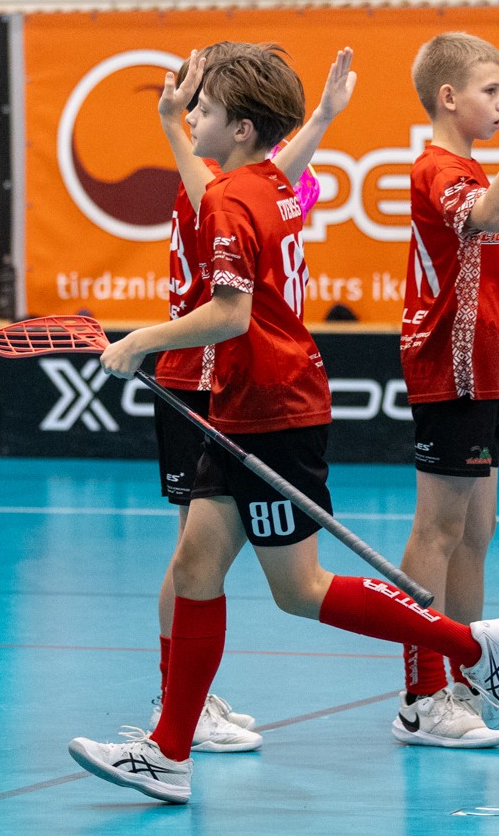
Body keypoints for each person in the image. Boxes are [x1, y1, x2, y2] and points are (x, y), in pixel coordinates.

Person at [68, 43, 499, 805]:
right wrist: (321, 117)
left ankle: (470, 646)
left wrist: (140, 340)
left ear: (242, 129)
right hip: (246, 405)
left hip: (273, 410)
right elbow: (265, 175)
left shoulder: (233, 197)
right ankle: (169, 753)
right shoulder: (271, 184)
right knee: (195, 567)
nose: (194, 120)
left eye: (206, 111)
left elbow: (231, 313)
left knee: (300, 589)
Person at [142, 43, 355, 753]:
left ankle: (186, 703)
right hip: (194, 375)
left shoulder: (237, 183)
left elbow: (275, 173)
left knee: (199, 558)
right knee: (190, 556)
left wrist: (322, 117)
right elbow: (266, 177)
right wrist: (172, 121)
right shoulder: (208, 187)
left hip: (227, 378)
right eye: (197, 105)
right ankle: (177, 703)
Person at [394, 33, 499, 747]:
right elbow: (485, 217)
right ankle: (421, 695)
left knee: (475, 532)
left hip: (482, 367)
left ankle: (461, 675)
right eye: (491, 91)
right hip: (450, 367)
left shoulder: (465, 170)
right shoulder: (439, 166)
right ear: (448, 98)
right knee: (437, 530)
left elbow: (480, 241)